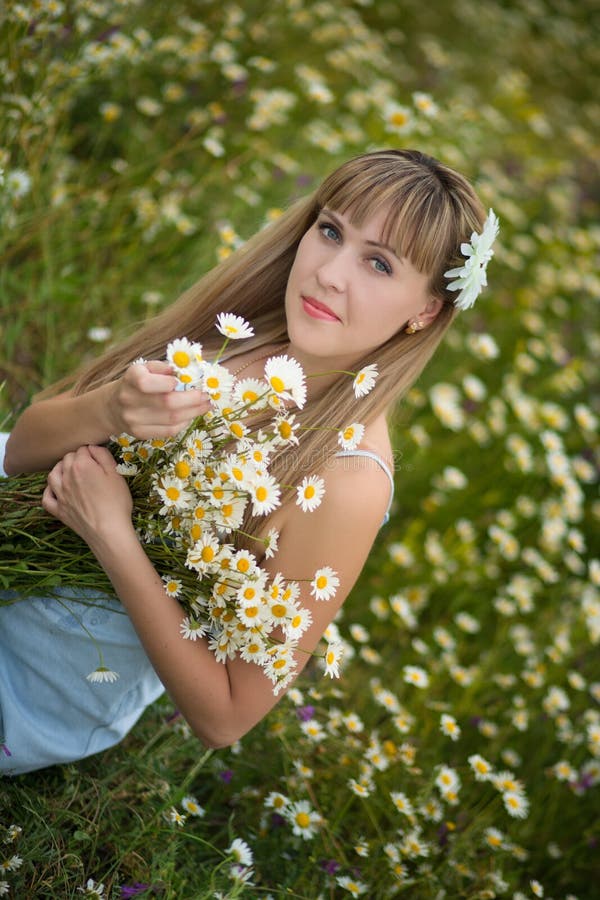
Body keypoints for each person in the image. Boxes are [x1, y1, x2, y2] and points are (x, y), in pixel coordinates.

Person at [0, 149, 496, 775]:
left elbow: (226, 716)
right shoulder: (247, 331)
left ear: (426, 310)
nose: (329, 274)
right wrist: (108, 410)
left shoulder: (347, 480)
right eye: (331, 231)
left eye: (378, 263)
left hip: (36, 672)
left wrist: (113, 537)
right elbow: (19, 452)